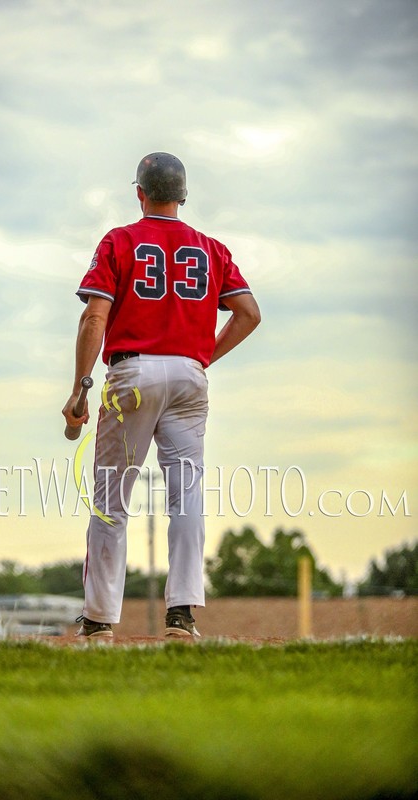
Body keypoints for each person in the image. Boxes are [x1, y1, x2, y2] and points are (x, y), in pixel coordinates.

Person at [62, 152, 261, 640]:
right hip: (190, 377)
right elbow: (249, 313)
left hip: (132, 374)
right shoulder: (211, 248)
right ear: (183, 196)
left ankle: (101, 618)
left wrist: (80, 388)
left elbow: (94, 317)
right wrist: (202, 357)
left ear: (140, 193)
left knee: (111, 499)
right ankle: (183, 614)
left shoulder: (120, 240)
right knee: (186, 494)